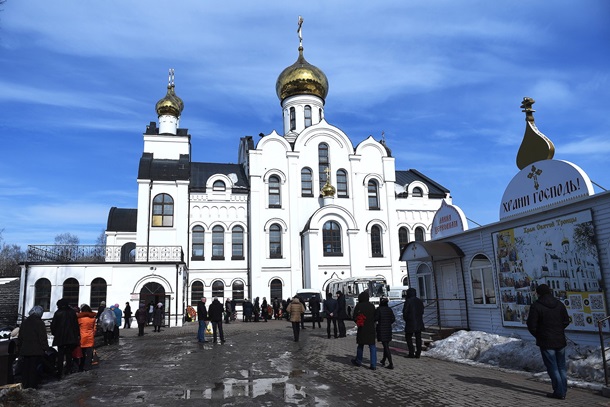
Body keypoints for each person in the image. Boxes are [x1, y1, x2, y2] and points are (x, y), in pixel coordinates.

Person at [526, 283, 570, 400]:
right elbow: (566, 321)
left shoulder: (536, 306)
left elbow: (531, 325)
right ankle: (563, 390)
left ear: (538, 293)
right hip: (560, 339)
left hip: (546, 341)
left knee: (552, 367)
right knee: (561, 366)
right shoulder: (559, 304)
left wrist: (539, 335)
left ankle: (559, 392)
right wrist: (559, 330)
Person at [17, 305, 50, 389]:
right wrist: (45, 348)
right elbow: (42, 337)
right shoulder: (40, 323)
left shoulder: (25, 322)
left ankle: (25, 384)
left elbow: (20, 337)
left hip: (25, 349)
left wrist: (20, 348)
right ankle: (32, 385)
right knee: (34, 368)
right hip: (36, 350)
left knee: (26, 368)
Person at [50, 298, 80, 379]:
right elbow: (76, 325)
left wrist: (54, 333)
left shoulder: (58, 313)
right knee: (69, 354)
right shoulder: (72, 312)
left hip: (60, 337)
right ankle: (68, 370)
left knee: (60, 354)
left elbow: (53, 325)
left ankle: (60, 371)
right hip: (70, 337)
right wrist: (77, 335)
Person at [351, 291, 377, 370]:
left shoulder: (359, 306)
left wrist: (358, 322)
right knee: (372, 346)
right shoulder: (372, 306)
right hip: (371, 328)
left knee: (360, 345)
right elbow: (375, 317)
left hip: (362, 328)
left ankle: (358, 361)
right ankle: (373, 364)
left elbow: (354, 316)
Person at [403, 287, 424, 358]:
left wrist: (406, 319)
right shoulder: (419, 301)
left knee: (408, 337)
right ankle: (418, 353)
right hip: (419, 321)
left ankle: (411, 352)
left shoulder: (408, 301)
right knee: (418, 338)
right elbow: (422, 311)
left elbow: (405, 312)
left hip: (410, 322)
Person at [375, 297, 396, 369]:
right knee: (386, 345)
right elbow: (393, 319)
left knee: (386, 346)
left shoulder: (379, 309)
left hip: (381, 329)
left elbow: (376, 318)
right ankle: (383, 360)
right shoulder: (389, 309)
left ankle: (390, 363)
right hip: (388, 329)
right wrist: (388, 323)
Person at [76, 304, 97, 372]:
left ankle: (81, 365)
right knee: (89, 352)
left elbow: (77, 328)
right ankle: (88, 366)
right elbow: (94, 329)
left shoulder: (80, 319)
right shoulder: (92, 319)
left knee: (82, 352)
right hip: (90, 337)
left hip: (82, 336)